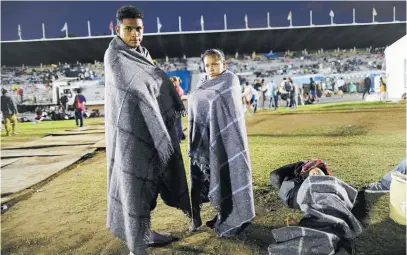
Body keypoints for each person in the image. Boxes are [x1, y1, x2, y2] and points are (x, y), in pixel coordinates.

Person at [104, 6, 192, 255]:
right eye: (129, 29)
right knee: (134, 184)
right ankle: (136, 244)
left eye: (139, 29)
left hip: (149, 130)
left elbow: (150, 86)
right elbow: (133, 92)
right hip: (130, 132)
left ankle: (145, 232)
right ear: (118, 28)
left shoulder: (142, 53)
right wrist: (160, 81)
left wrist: (163, 84)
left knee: (149, 184)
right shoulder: (114, 56)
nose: (135, 34)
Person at [188, 49, 255, 237]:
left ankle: (235, 215)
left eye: (215, 64)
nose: (211, 68)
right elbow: (197, 105)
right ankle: (221, 214)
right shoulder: (202, 83)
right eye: (207, 65)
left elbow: (222, 108)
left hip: (228, 140)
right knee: (213, 174)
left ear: (223, 64)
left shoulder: (229, 81)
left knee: (229, 173)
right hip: (207, 139)